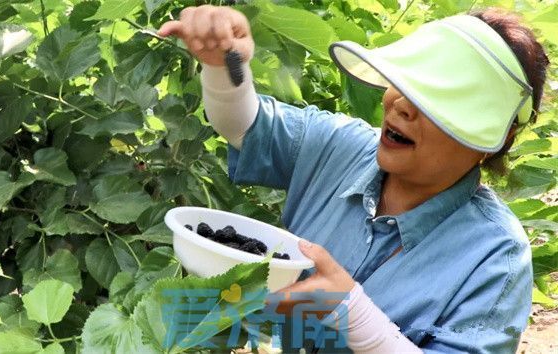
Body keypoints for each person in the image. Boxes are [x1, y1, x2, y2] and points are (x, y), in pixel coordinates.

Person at [158, 5, 549, 353]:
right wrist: (224, 65)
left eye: (437, 101)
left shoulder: (495, 258)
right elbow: (246, 126)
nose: (401, 104)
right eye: (407, 81)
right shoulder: (340, 148)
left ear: (493, 140)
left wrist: (350, 312)